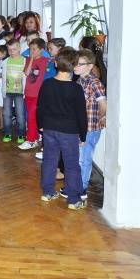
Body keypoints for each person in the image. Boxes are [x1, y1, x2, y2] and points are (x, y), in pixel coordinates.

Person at [37, 47, 88, 210]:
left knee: (49, 160)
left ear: (56, 63)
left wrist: (41, 125)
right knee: (71, 164)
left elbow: (40, 107)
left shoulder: (47, 84)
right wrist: (83, 135)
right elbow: (81, 115)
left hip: (50, 128)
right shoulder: (76, 88)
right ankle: (74, 200)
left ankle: (47, 192)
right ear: (74, 66)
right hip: (69, 131)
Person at [68, 49, 106, 199]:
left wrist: (100, 118)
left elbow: (103, 104)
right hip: (80, 126)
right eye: (75, 63)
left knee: (84, 159)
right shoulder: (79, 80)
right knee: (77, 158)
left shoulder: (94, 82)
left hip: (90, 128)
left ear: (90, 66)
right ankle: (76, 185)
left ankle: (81, 189)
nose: (75, 67)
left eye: (80, 64)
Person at [18, 38, 50, 149]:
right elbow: (27, 73)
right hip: (28, 92)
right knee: (30, 116)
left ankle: (30, 140)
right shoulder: (27, 60)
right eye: (30, 49)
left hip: (38, 93)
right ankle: (35, 137)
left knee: (32, 116)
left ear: (41, 50)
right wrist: (31, 59)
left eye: (34, 49)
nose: (31, 51)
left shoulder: (47, 61)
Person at [2, 39, 27, 143]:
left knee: (20, 113)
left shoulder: (25, 61)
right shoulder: (6, 61)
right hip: (8, 91)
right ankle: (7, 132)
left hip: (20, 92)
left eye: (14, 49)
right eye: (9, 50)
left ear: (19, 49)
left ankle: (21, 134)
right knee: (6, 113)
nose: (12, 52)